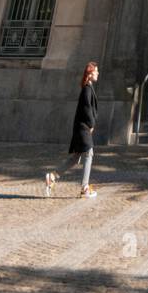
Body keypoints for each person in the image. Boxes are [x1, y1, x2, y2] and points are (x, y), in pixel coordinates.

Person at [45, 62, 99, 199]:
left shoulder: (88, 87)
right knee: (89, 154)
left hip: (82, 127)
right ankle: (85, 188)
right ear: (90, 73)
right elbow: (87, 108)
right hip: (83, 128)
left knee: (76, 157)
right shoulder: (87, 88)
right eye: (96, 71)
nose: (98, 73)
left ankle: (52, 176)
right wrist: (91, 124)